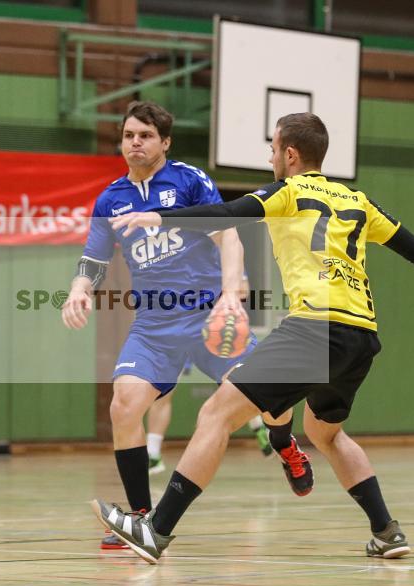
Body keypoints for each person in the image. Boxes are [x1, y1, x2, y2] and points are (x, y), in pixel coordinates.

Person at [93, 112, 414, 564]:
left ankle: (156, 531)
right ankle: (386, 531)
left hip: (315, 327)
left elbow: (227, 213)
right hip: (362, 336)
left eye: (273, 149)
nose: (271, 157)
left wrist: (160, 216)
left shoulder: (287, 192)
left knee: (216, 414)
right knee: (325, 433)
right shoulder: (356, 199)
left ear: (290, 155)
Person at [61, 101, 297, 551]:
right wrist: (78, 290)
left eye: (145, 135)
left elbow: (228, 234)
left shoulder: (189, 180)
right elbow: (92, 259)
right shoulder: (111, 199)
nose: (135, 142)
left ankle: (285, 444)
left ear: (164, 142)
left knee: (269, 400)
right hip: (153, 324)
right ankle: (140, 516)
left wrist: (231, 293)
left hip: (209, 315)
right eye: (129, 135)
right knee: (124, 403)